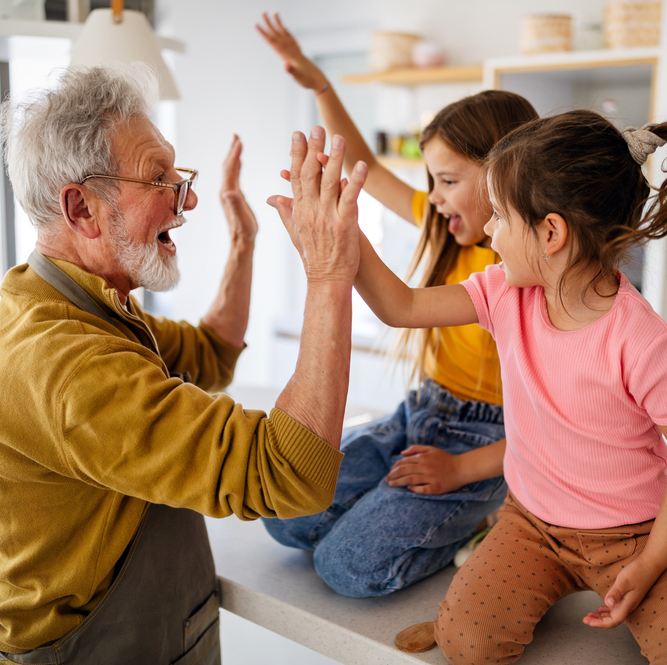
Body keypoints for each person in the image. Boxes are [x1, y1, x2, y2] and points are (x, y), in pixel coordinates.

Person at [0, 64, 366, 664]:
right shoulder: (68, 366)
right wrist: (329, 275)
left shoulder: (65, 301)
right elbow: (288, 475)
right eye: (159, 177)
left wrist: (244, 244)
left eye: (178, 172)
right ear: (83, 209)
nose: (186, 197)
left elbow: (209, 353)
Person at [346, 109, 667, 663]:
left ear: (550, 233)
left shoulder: (641, 339)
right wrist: (339, 234)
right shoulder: (502, 291)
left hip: (634, 534)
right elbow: (401, 307)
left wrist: (651, 562)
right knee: (468, 644)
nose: (488, 230)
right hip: (531, 525)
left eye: (498, 215)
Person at [257, 12, 538, 597]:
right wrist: (320, 86)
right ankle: (407, 508)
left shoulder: (525, 277)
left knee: (347, 567)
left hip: (485, 445)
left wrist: (461, 469)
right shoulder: (446, 226)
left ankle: (482, 522)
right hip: (420, 412)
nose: (432, 198)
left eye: (447, 180)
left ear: (505, 177)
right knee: (284, 515)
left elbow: (552, 427)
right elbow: (370, 164)